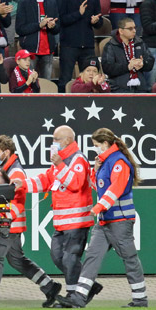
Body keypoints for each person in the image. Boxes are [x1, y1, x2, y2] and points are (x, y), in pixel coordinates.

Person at [0, 135, 62, 309]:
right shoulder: (6, 169)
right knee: (17, 260)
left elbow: (18, 201)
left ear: (6, 152)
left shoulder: (15, 172)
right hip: (10, 223)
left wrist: (6, 218)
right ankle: (50, 286)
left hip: (7, 223)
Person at [57, 127, 147, 308]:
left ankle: (140, 298)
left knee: (129, 258)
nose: (95, 149)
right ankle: (79, 297)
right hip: (105, 220)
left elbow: (115, 190)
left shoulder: (119, 162)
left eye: (97, 145)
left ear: (105, 144)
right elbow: (99, 187)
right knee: (92, 256)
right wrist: (95, 170)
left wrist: (97, 207)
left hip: (120, 220)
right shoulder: (105, 162)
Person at [15, 125, 98, 300]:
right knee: (57, 256)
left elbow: (75, 183)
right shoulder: (59, 162)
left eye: (56, 139)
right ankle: (87, 284)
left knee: (69, 258)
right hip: (62, 221)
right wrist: (22, 184)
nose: (53, 143)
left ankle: (73, 293)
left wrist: (59, 164)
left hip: (77, 221)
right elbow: (45, 181)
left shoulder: (78, 160)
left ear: (68, 140)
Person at [57, 0, 103, 93]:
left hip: (87, 46)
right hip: (69, 45)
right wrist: (78, 14)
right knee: (65, 79)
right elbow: (61, 20)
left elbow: (99, 24)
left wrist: (96, 21)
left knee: (89, 79)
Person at [16, 0, 59, 80]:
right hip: (30, 51)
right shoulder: (24, 3)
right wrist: (39, 25)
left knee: (46, 83)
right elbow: (20, 29)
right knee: (29, 82)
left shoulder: (52, 2)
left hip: (48, 50)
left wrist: (53, 26)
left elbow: (58, 28)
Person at [101, 17, 154, 93]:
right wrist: (128, 66)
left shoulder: (140, 43)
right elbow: (107, 68)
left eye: (134, 28)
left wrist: (143, 64)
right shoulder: (111, 45)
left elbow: (150, 62)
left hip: (140, 88)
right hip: (119, 88)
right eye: (130, 29)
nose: (134, 31)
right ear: (121, 31)